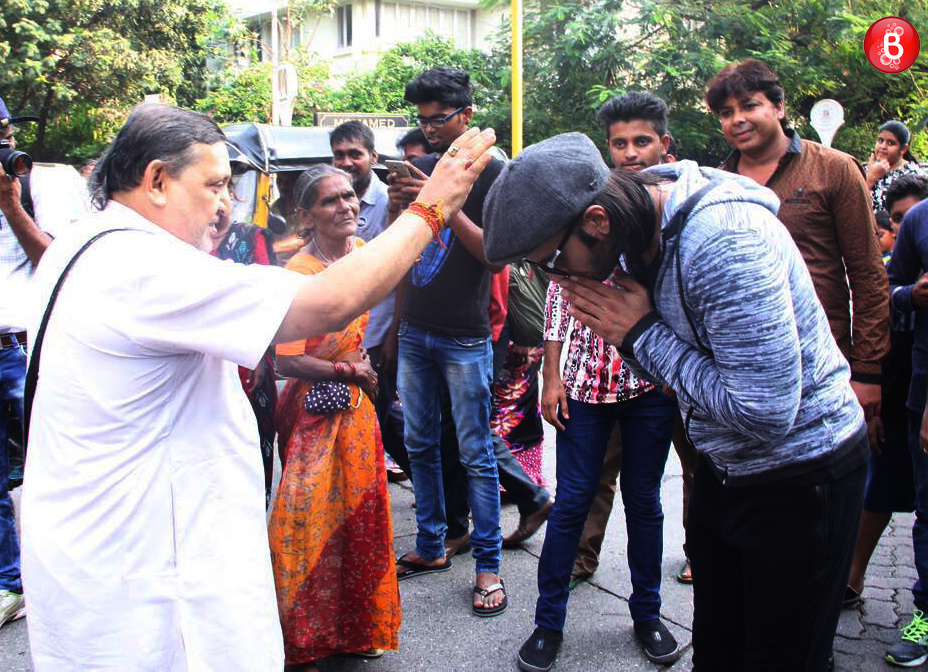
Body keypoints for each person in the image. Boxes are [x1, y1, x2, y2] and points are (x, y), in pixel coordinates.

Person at [21, 102, 496, 670]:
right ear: (156, 180)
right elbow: (331, 302)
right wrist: (434, 206)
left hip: (105, 552)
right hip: (148, 578)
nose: (225, 203)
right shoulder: (142, 264)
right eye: (214, 185)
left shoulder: (83, 242)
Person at [483, 132, 868, 672]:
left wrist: (639, 333)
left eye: (554, 262)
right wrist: (631, 338)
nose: (558, 280)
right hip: (724, 467)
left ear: (596, 220)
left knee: (781, 656)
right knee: (718, 651)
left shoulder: (723, 242)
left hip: (799, 477)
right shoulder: (634, 232)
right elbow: (672, 374)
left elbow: (764, 413)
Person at [535, 92, 682, 666]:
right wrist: (551, 375)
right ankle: (547, 623)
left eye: (641, 141)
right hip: (585, 389)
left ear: (664, 144)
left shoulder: (671, 212)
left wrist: (673, 370)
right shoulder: (589, 203)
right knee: (572, 501)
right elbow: (558, 293)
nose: (630, 153)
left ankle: (648, 615)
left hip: (649, 389)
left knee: (644, 502)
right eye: (619, 143)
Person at [708, 59, 889, 446]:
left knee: (827, 470)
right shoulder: (718, 186)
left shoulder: (833, 169)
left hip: (824, 364)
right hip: (746, 372)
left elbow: (868, 275)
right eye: (726, 112)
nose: (738, 119)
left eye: (749, 105)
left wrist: (868, 371)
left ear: (779, 107)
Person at [387, 66, 509, 616]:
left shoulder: (493, 171)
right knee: (419, 444)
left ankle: (488, 567)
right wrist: (405, 206)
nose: (430, 128)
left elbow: (493, 255)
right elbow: (403, 244)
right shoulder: (427, 165)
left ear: (467, 115)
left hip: (464, 336)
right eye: (422, 120)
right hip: (416, 327)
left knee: (475, 453)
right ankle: (432, 544)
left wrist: (441, 204)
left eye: (439, 119)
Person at [269, 164, 400, 668]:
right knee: (304, 523)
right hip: (312, 418)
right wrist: (352, 370)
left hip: (357, 414)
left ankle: (357, 630)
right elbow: (285, 361)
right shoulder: (300, 273)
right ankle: (301, 637)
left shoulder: (361, 254)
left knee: (359, 519)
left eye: (348, 196)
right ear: (305, 215)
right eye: (330, 200)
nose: (345, 205)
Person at [0, 95, 85, 630]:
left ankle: (67, 585)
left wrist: (12, 205)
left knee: (59, 471)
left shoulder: (39, 185)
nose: (5, 144)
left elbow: (58, 264)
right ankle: (10, 583)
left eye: (6, 133)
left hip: (24, 349)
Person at [846, 174, 928, 615]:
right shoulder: (887, 265)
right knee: (879, 488)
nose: (899, 228)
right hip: (898, 392)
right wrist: (911, 295)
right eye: (895, 220)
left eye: (906, 218)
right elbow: (882, 301)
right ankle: (853, 575)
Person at [329, 120, 406, 476]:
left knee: (375, 417)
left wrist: (394, 335)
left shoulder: (391, 201)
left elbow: (402, 271)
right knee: (376, 418)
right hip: (342, 332)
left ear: (372, 157)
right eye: (339, 155)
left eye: (354, 154)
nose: (346, 162)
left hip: (378, 332)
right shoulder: (334, 200)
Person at [884, 182, 928, 667]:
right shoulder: (919, 220)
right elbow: (888, 291)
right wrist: (912, 294)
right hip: (920, 393)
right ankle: (925, 615)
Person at [209, 205, 279, 508]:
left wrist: (259, 356)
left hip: (249, 366)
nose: (219, 201)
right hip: (203, 366)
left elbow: (268, 299)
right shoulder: (181, 240)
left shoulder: (251, 237)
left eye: (224, 188)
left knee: (251, 448)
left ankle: (253, 512)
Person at [867, 120, 924, 214]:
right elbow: (853, 201)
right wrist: (871, 177)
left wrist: (872, 176)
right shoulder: (866, 169)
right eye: (880, 141)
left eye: (890, 143)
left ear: (903, 149)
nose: (883, 146)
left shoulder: (913, 175)